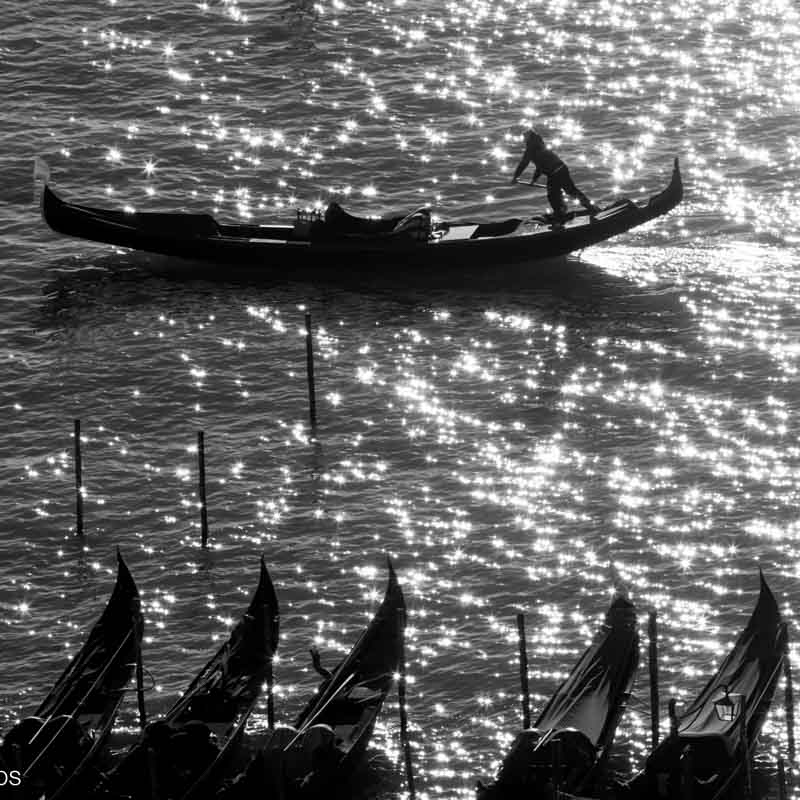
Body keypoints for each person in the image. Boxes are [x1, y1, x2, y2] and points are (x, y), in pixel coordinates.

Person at [510, 130, 599, 221]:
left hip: (554, 174)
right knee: (571, 191)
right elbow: (540, 166)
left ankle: (560, 214)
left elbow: (523, 164)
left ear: (528, 139)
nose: (524, 140)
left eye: (524, 138)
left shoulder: (530, 150)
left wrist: (515, 177)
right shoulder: (541, 145)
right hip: (562, 169)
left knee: (553, 196)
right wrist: (534, 180)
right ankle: (592, 208)